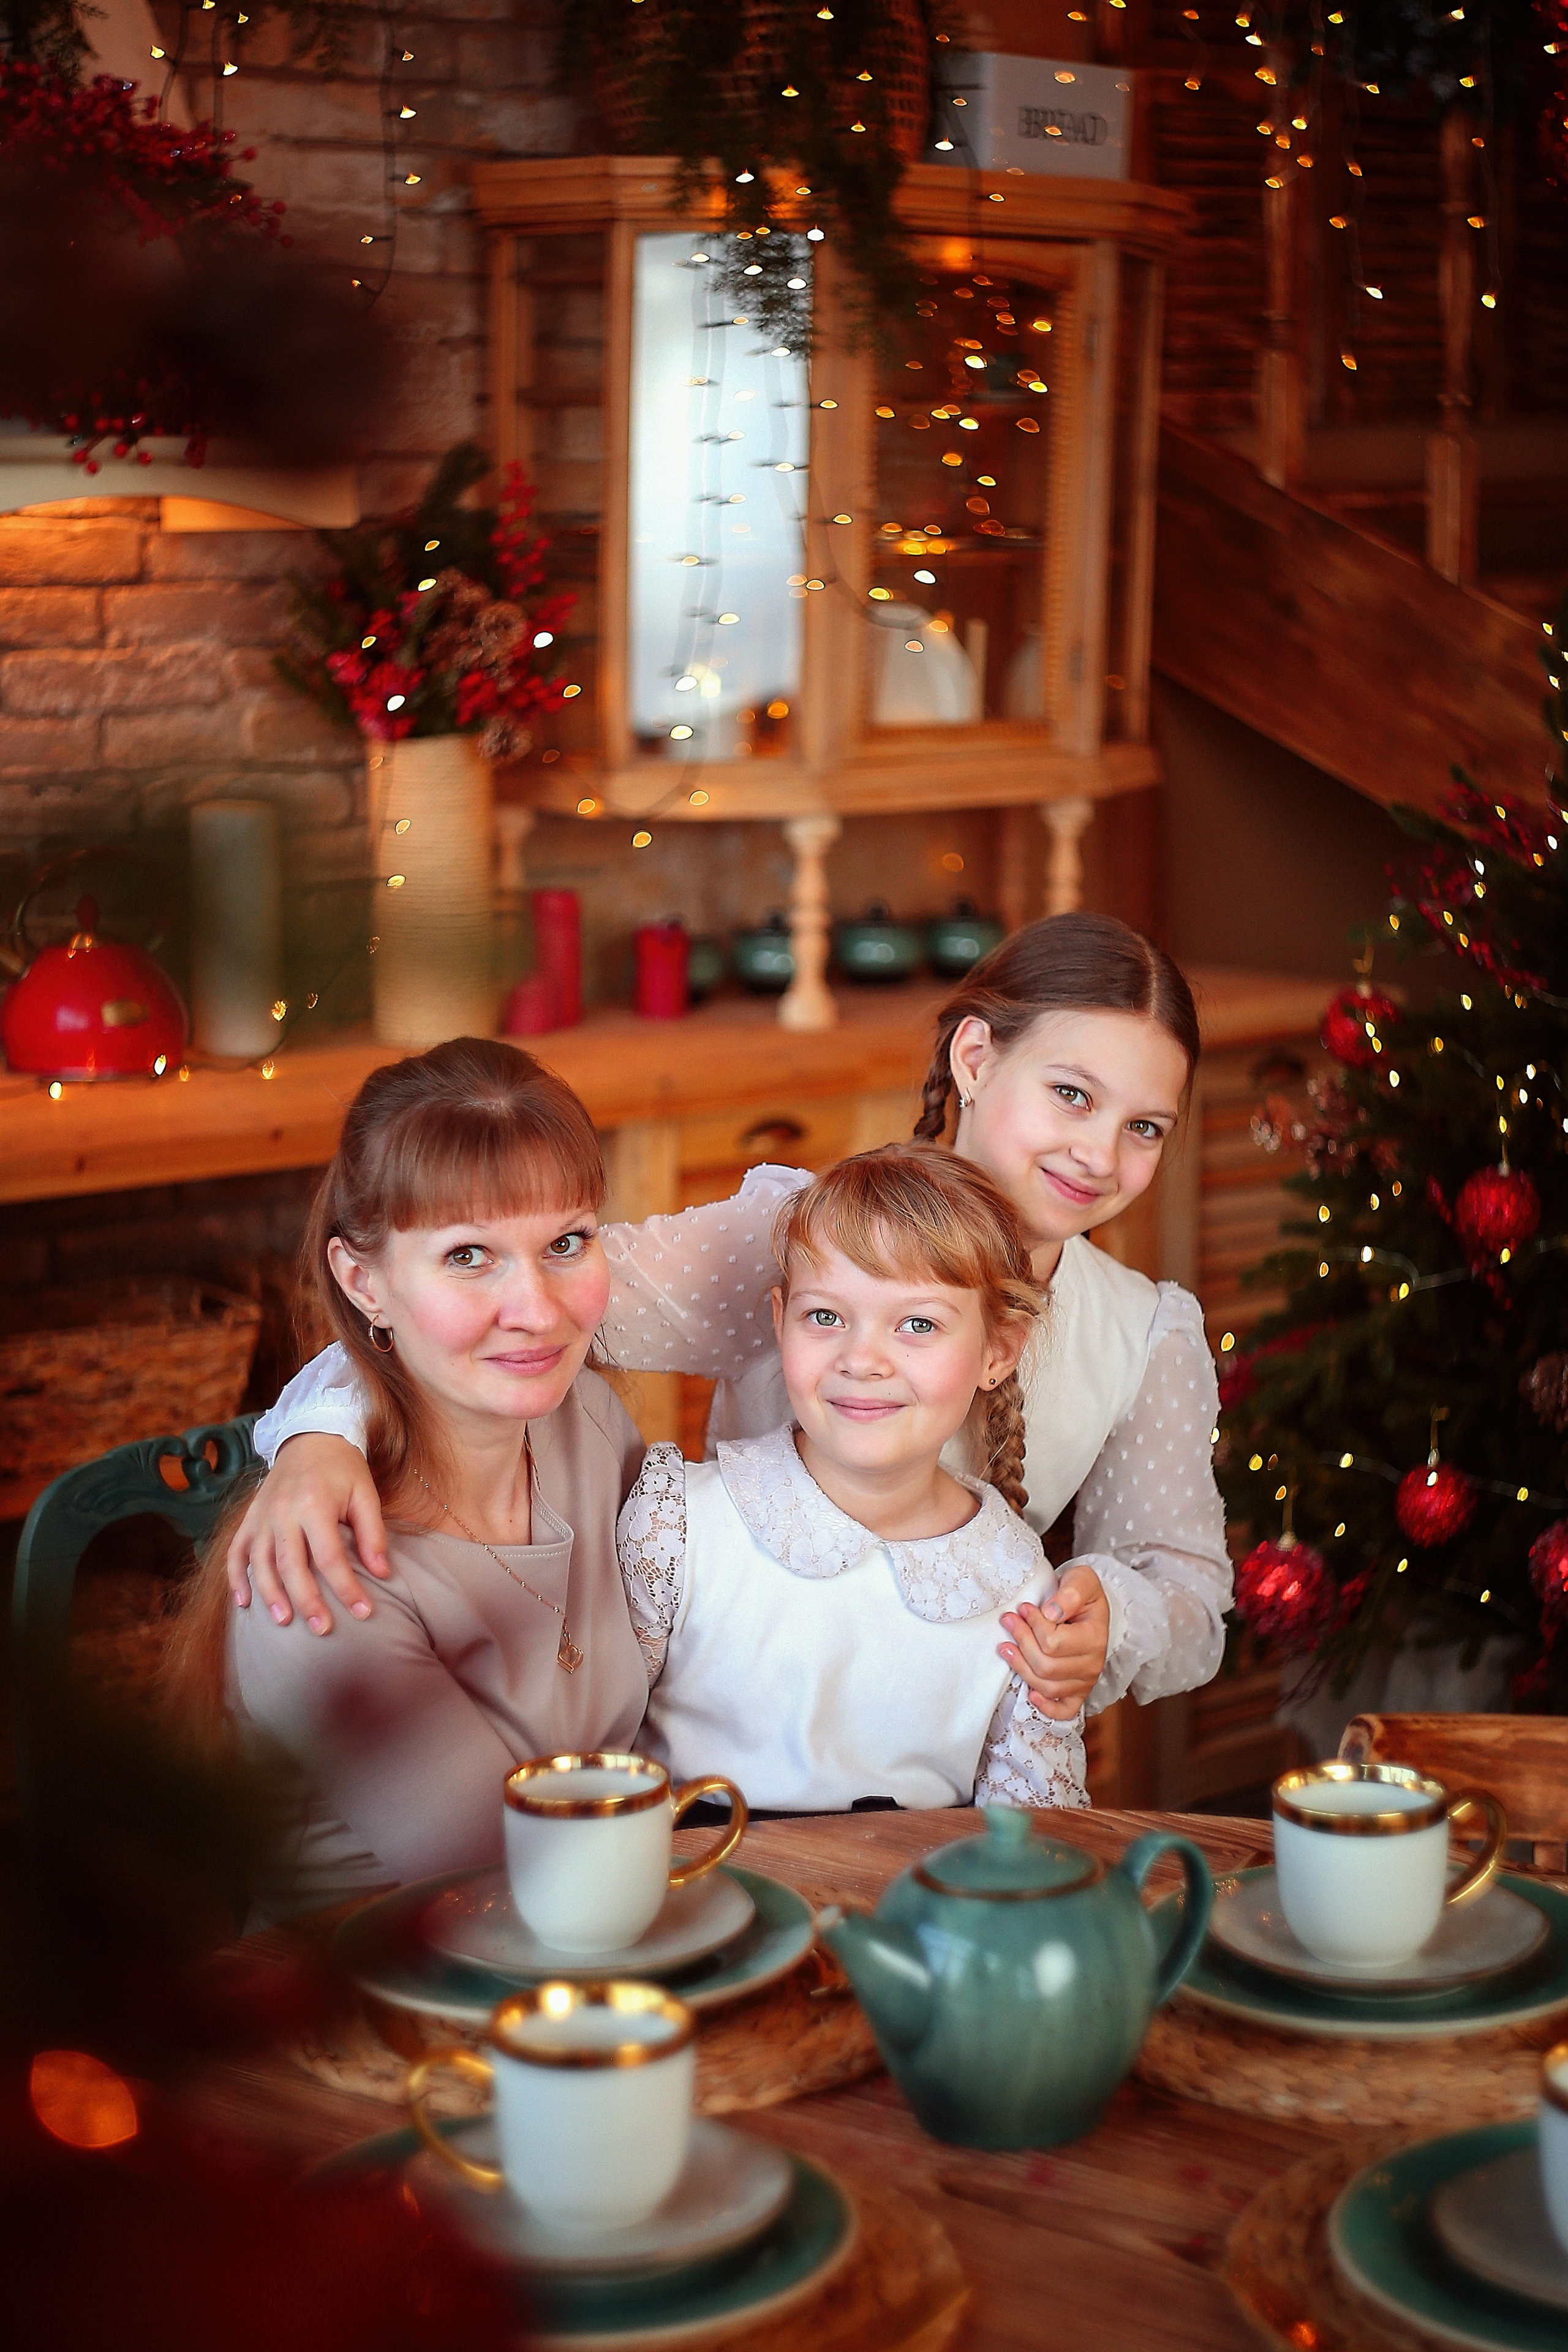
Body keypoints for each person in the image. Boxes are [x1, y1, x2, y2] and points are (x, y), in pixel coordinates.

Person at [229, 911, 1229, 1729]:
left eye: (1144, 1128)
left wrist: (1110, 1618)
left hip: (951, 1762)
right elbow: (504, 1312)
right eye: (1071, 1095)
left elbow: (1187, 1594)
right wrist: (322, 1433)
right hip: (712, 1747)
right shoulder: (784, 1236)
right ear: (976, 1057)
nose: (1100, 1155)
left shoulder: (1144, 1336)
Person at [163, 1038, 652, 1924]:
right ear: (364, 1281)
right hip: (380, 2007)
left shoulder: (589, 1426)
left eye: (567, 1243)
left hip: (602, 1943)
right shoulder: (317, 1571)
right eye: (469, 1256)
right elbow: (511, 1891)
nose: (537, 1309)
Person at [620, 1145, 1088, 1813]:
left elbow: (1034, 1841)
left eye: (918, 1323)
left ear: (996, 1352)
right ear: (780, 1321)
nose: (862, 1358)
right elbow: (586, 1755)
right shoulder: (679, 1526)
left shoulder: (1017, 1587)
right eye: (826, 1317)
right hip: (699, 1900)